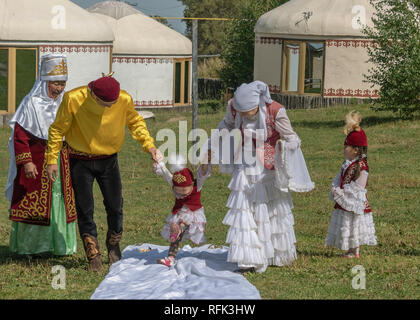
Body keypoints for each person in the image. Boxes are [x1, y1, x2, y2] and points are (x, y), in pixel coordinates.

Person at [45, 72, 161, 272]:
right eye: (106, 104)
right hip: (80, 161)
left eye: (113, 104)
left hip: (109, 161)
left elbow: (135, 123)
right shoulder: (74, 99)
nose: (110, 107)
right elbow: (57, 130)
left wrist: (149, 146)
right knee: (85, 208)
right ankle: (93, 255)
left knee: (115, 206)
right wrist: (51, 160)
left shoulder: (123, 99)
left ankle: (113, 244)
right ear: (93, 96)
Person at [205, 81, 314, 273]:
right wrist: (210, 147)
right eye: (241, 112)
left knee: (271, 207)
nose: (244, 116)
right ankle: (248, 258)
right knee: (244, 207)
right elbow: (226, 126)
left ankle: (274, 254)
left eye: (248, 112)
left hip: (269, 164)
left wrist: (284, 147)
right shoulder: (233, 108)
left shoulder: (276, 111)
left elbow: (293, 138)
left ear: (258, 105)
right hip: (244, 161)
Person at [5, 54, 77, 256]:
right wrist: (26, 162)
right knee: (34, 204)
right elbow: (20, 137)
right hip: (36, 163)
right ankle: (32, 247)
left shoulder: (66, 102)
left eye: (63, 83)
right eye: (55, 83)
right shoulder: (30, 104)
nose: (59, 88)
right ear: (45, 81)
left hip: (62, 162)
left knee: (60, 200)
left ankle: (60, 246)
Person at [325, 110, 377, 258]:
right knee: (347, 224)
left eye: (345, 147)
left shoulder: (362, 167)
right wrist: (335, 188)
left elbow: (358, 188)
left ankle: (356, 251)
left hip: (355, 202)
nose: (343, 150)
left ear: (355, 150)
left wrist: (344, 194)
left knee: (355, 225)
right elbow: (338, 178)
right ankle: (350, 250)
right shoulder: (347, 164)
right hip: (345, 200)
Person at [153, 154, 210, 267]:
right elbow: (166, 174)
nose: (182, 193)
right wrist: (159, 163)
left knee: (180, 226)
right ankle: (170, 258)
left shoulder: (197, 185)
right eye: (178, 191)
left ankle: (178, 229)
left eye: (185, 190)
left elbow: (202, 174)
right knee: (176, 238)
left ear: (191, 184)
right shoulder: (174, 184)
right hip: (179, 214)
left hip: (194, 215)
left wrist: (205, 162)